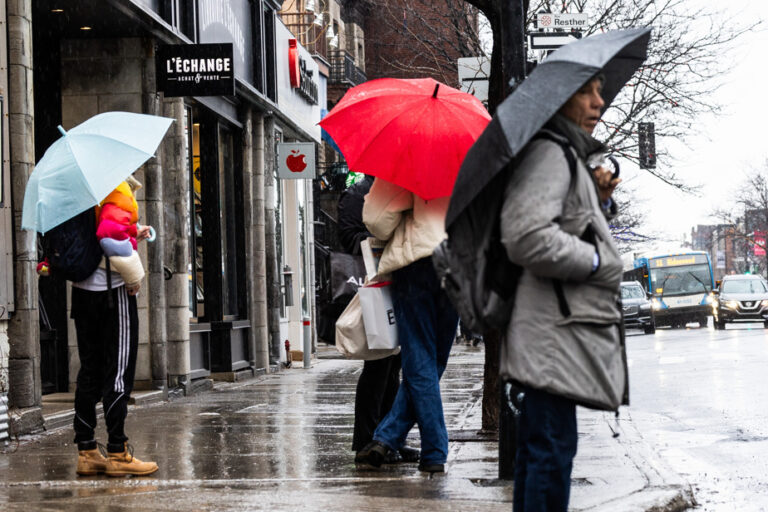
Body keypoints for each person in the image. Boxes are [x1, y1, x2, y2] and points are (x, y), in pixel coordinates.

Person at [499, 75, 627, 511]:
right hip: (550, 336)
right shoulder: (551, 153)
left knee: (546, 452)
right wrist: (596, 262)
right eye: (587, 91)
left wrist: (601, 200)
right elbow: (527, 236)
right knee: (550, 455)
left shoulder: (567, 156)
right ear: (560, 97)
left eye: (599, 91)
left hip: (556, 332)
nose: (599, 101)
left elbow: (564, 222)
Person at [355, 178, 459, 474]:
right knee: (433, 360)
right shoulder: (474, 157)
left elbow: (376, 219)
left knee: (419, 360)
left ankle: (434, 450)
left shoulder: (408, 158)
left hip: (419, 264)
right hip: (459, 264)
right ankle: (388, 436)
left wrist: (408, 211)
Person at [72, 176, 159, 477]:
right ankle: (118, 452)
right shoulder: (114, 184)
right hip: (112, 294)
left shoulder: (79, 190)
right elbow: (109, 239)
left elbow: (97, 232)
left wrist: (134, 231)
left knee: (90, 371)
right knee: (119, 372)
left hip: (82, 293)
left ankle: (87, 451)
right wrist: (134, 277)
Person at [337, 175, 418, 464]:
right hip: (376, 284)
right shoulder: (358, 193)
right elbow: (348, 236)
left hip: (399, 281)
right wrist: (384, 239)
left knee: (393, 364)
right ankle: (366, 440)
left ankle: (388, 439)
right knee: (378, 365)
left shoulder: (395, 189)